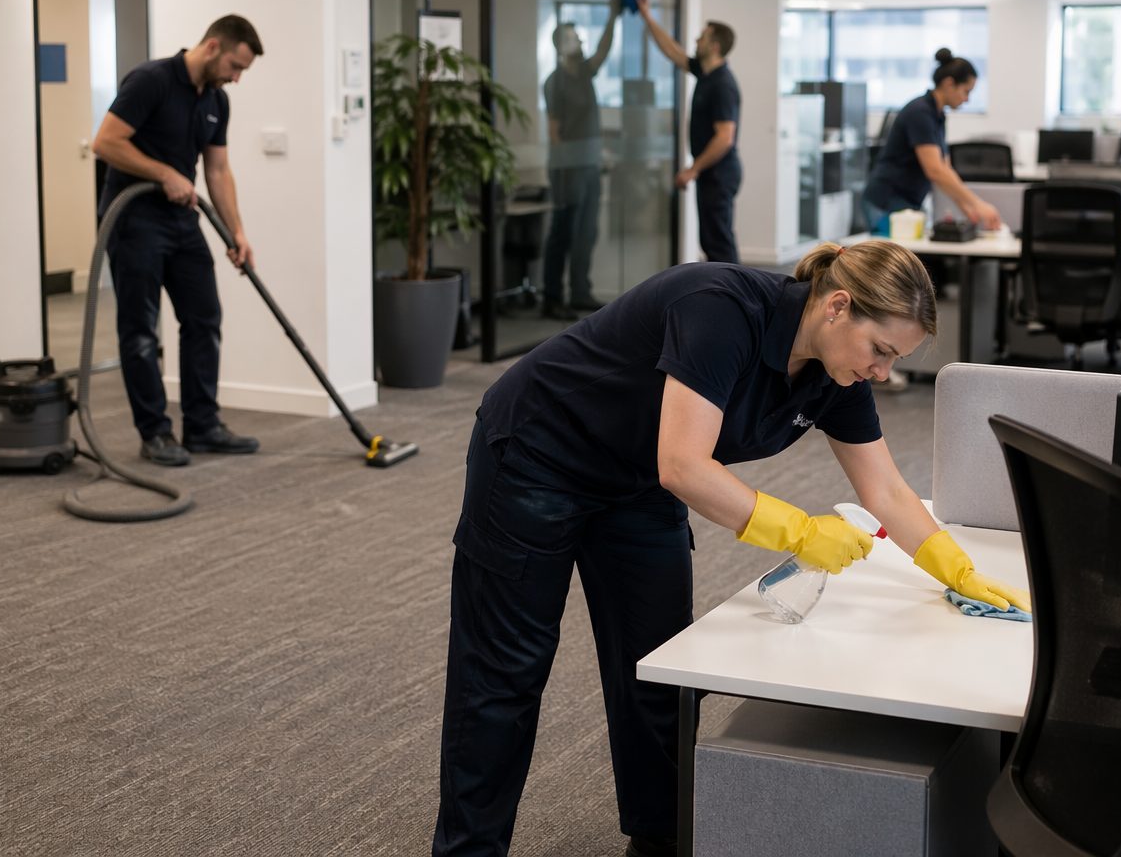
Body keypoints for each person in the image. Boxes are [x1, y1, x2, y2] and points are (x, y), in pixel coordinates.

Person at [432, 240, 1029, 857]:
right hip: (539, 455)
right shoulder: (719, 309)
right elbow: (684, 467)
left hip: (635, 482)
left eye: (894, 359)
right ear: (838, 307)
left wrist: (956, 569)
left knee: (660, 670)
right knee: (504, 674)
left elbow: (885, 489)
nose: (883, 372)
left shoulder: (835, 374)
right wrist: (799, 531)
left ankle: (660, 839)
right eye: (880, 351)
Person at [90, 14, 264, 467]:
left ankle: (203, 425)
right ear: (212, 47)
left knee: (204, 318)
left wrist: (236, 232)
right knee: (141, 330)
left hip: (182, 222)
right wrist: (164, 172)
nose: (237, 77)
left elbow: (218, 170)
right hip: (133, 219)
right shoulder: (151, 81)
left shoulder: (217, 101)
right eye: (235, 66)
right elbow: (106, 142)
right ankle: (155, 433)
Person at [635, 0, 742, 263]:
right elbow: (673, 51)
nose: (696, 41)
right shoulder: (706, 74)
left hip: (719, 173)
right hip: (712, 173)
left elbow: (724, 138)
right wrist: (648, 16)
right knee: (711, 240)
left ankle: (737, 299)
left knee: (718, 243)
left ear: (715, 46)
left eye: (702, 37)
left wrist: (693, 169)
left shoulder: (722, 85)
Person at [862, 48, 1002, 237]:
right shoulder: (920, 113)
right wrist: (978, 204)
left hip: (905, 203)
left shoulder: (937, 115)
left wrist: (967, 208)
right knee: (894, 264)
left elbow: (945, 169)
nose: (967, 99)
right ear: (949, 83)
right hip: (887, 200)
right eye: (966, 91)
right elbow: (934, 170)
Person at [542, 0, 620, 321]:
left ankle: (580, 291)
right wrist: (566, 168)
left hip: (588, 165)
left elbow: (603, 48)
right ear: (561, 45)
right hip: (567, 168)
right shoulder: (555, 81)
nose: (581, 42)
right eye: (574, 37)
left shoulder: (585, 73)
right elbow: (554, 131)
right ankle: (552, 297)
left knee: (587, 231)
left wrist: (613, 13)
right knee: (563, 231)